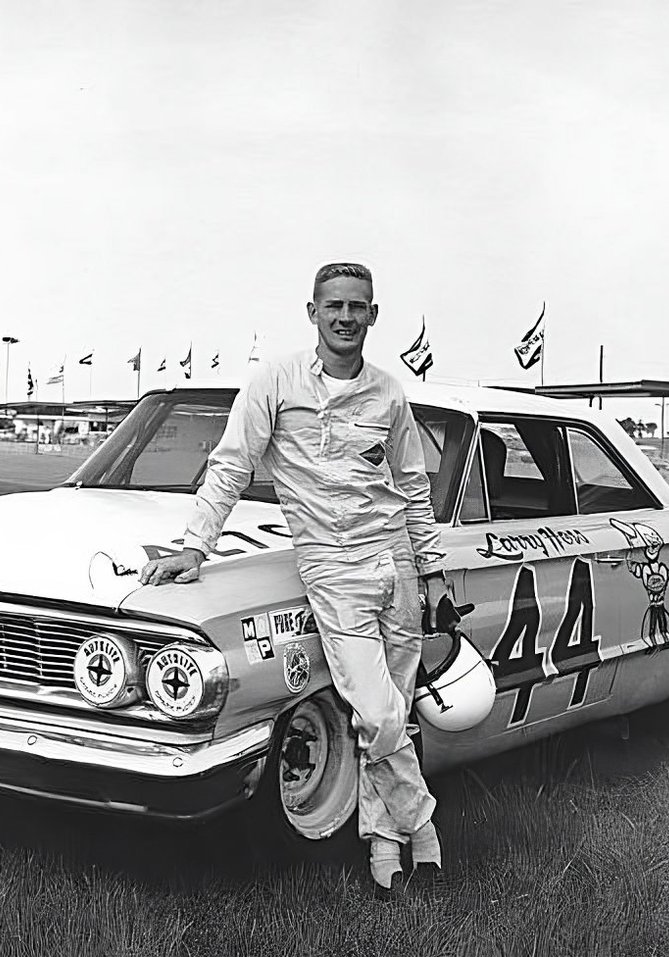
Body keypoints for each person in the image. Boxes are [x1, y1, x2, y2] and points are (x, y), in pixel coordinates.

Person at [140, 262, 455, 900]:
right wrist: (194, 547)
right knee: (375, 708)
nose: (345, 317)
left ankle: (384, 843)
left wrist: (433, 571)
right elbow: (230, 465)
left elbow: (414, 490)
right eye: (333, 305)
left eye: (357, 306)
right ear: (311, 312)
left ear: (373, 315)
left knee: (388, 710)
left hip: (394, 561)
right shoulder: (273, 383)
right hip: (331, 564)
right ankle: (422, 823)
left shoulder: (390, 395)